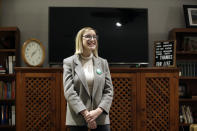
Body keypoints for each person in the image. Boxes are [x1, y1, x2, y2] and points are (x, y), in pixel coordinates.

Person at [63, 27, 114, 131]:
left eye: (94, 37)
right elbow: (69, 92)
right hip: (78, 119)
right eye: (88, 36)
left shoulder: (103, 63)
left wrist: (97, 112)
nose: (92, 39)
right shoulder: (69, 62)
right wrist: (87, 114)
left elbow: (109, 91)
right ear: (80, 40)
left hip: (100, 118)